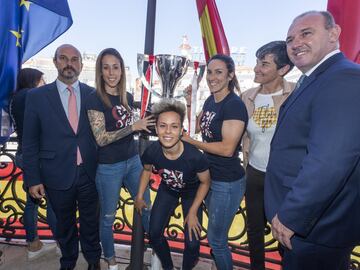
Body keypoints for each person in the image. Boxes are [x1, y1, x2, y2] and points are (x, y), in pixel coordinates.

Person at [264, 11, 360, 270]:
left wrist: (292, 216)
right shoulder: (315, 79)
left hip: (316, 226)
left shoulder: (344, 78)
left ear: (334, 34)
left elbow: (330, 160)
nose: (295, 43)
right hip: (307, 225)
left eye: (306, 33)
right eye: (289, 39)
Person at [22, 44, 101, 270]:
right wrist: (33, 179)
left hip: (89, 172)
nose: (69, 63)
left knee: (90, 223)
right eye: (64, 58)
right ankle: (68, 260)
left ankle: (93, 261)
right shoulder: (36, 97)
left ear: (81, 65)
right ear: (56, 62)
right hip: (55, 173)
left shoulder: (93, 94)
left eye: (75, 59)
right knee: (63, 224)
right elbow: (30, 142)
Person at [85, 48, 154, 270]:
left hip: (133, 160)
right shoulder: (94, 99)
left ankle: (156, 251)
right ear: (100, 71)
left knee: (147, 206)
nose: (111, 72)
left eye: (115, 67)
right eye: (106, 67)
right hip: (108, 166)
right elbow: (102, 138)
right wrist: (133, 127)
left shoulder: (128, 97)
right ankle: (112, 263)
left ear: (122, 70)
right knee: (107, 217)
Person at [183, 54, 248, 270]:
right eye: (209, 72)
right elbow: (200, 127)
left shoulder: (234, 105)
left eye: (218, 72)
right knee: (215, 236)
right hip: (210, 178)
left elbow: (228, 149)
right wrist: (189, 103)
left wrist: (192, 142)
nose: (212, 77)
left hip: (226, 182)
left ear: (230, 75)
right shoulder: (211, 99)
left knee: (217, 241)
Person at [135, 99, 211, 270]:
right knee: (154, 235)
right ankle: (168, 267)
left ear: (181, 130)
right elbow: (146, 171)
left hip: (192, 193)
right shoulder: (152, 151)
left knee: (192, 243)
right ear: (156, 128)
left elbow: (205, 182)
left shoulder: (195, 157)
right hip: (168, 189)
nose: (168, 131)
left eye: (174, 126)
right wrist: (139, 196)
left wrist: (192, 212)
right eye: (163, 126)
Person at [240, 41, 294, 270]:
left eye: (264, 64)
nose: (256, 69)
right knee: (253, 230)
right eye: (257, 62)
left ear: (283, 69)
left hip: (285, 178)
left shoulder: (296, 94)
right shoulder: (247, 96)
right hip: (255, 172)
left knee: (287, 231)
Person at [10, 68, 58, 260]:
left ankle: (33, 244)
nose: (44, 83)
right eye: (42, 80)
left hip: (24, 153)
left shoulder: (16, 98)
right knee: (54, 201)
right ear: (33, 81)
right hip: (38, 156)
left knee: (32, 200)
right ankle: (63, 243)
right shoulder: (33, 95)